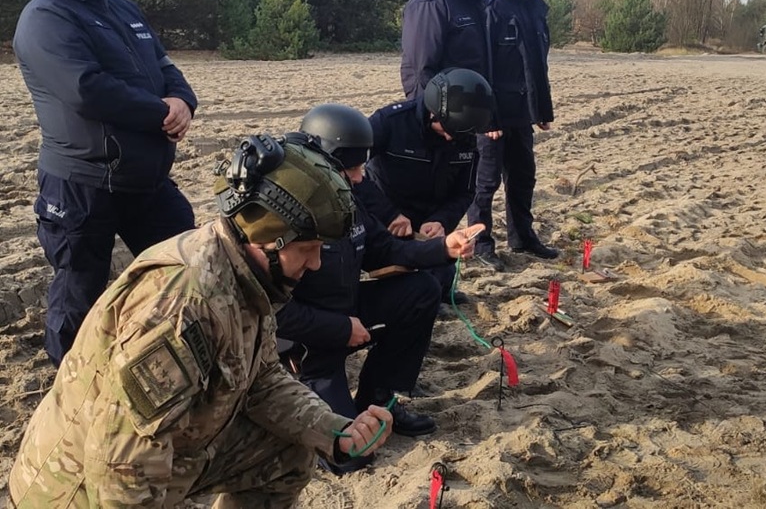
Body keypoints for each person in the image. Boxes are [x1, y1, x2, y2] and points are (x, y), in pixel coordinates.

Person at [8, 133, 393, 507]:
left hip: (164, 450)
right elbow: (121, 467)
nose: (316, 263)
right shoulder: (181, 308)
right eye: (307, 249)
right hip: (78, 490)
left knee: (289, 451)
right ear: (265, 239)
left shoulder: (247, 275)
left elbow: (261, 381)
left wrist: (332, 430)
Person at [14, 0, 198, 366]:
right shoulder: (46, 19)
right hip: (83, 184)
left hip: (145, 180)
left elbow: (163, 65)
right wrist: (161, 112)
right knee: (79, 291)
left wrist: (182, 101)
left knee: (189, 269)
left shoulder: (124, 10)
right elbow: (87, 90)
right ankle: (68, 393)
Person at [275, 104, 485, 475]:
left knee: (421, 290)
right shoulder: (278, 218)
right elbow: (274, 314)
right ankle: (304, 390)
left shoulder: (344, 197)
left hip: (345, 309)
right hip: (307, 342)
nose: (360, 178)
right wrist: (341, 330)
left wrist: (443, 248)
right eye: (352, 168)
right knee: (354, 456)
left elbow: (382, 249)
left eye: (361, 167)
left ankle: (379, 396)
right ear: (322, 163)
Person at [362, 69, 494, 301]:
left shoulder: (465, 135)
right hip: (385, 220)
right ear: (433, 113)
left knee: (440, 277)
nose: (451, 139)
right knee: (411, 289)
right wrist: (389, 214)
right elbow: (350, 174)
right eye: (448, 131)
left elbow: (465, 192)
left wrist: (441, 221)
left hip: (430, 224)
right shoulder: (390, 123)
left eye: (459, 133)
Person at [467, 0, 558, 272]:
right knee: (486, 182)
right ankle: (481, 243)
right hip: (493, 114)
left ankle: (522, 237)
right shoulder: (490, 10)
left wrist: (542, 111)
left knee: (523, 177)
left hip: (522, 112)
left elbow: (537, 65)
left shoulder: (535, 7)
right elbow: (481, 67)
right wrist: (486, 117)